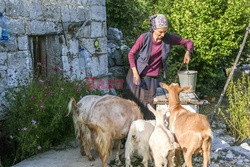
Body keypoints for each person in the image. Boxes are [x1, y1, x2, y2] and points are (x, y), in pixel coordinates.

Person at [124, 14, 194, 120]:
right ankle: (129, 134)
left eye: (165, 31)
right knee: (131, 105)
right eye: (160, 32)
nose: (163, 34)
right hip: (136, 74)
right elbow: (131, 54)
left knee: (148, 107)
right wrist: (135, 73)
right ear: (153, 28)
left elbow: (188, 42)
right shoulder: (144, 38)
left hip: (151, 78)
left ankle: (147, 133)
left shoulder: (168, 38)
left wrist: (188, 52)